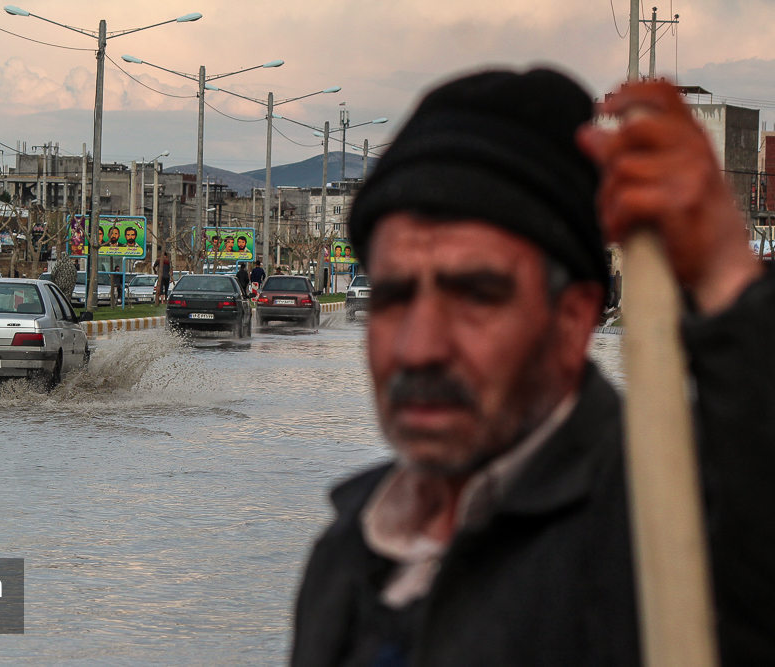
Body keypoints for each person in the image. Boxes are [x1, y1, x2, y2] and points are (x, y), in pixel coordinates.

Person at [291, 72, 775, 667]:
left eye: (475, 295)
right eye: (393, 298)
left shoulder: (677, 526)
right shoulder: (351, 546)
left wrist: (728, 281)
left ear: (572, 322)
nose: (419, 348)